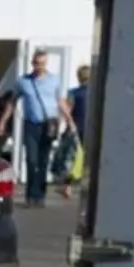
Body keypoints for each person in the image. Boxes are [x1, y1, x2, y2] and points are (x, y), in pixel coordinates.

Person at [0, 50, 76, 207]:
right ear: (32, 63)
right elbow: (12, 102)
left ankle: (40, 196)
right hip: (31, 124)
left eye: (43, 63)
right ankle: (31, 195)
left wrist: (69, 120)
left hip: (49, 124)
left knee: (43, 160)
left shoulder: (54, 81)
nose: (40, 67)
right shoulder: (23, 81)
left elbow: (60, 101)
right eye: (37, 63)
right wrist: (3, 122)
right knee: (32, 160)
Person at [56, 65, 91, 198]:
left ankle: (68, 186)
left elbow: (68, 111)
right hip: (90, 129)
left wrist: (65, 127)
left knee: (74, 157)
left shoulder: (73, 93)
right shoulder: (95, 92)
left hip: (76, 127)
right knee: (88, 158)